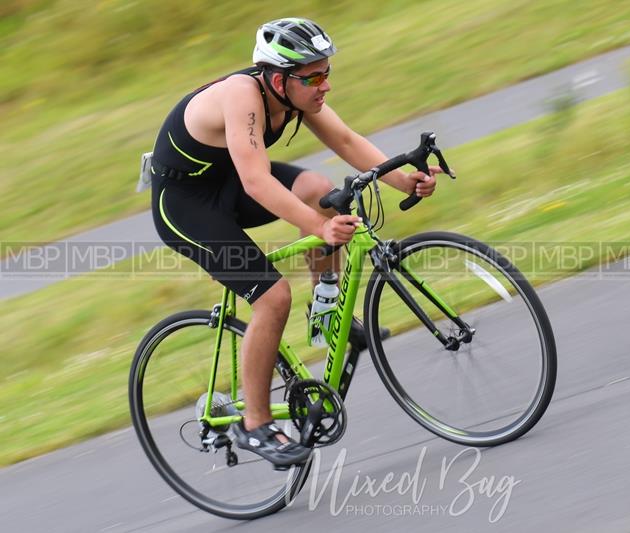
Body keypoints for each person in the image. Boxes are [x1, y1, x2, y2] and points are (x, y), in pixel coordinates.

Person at [149, 18, 441, 467]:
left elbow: (345, 139)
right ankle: (255, 426)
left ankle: (325, 311)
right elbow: (256, 182)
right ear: (279, 79)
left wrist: (407, 182)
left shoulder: (293, 92)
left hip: (224, 184)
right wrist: (320, 229)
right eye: (315, 77)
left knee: (319, 189)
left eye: (327, 73)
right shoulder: (243, 96)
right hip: (185, 205)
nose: (324, 85)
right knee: (272, 296)